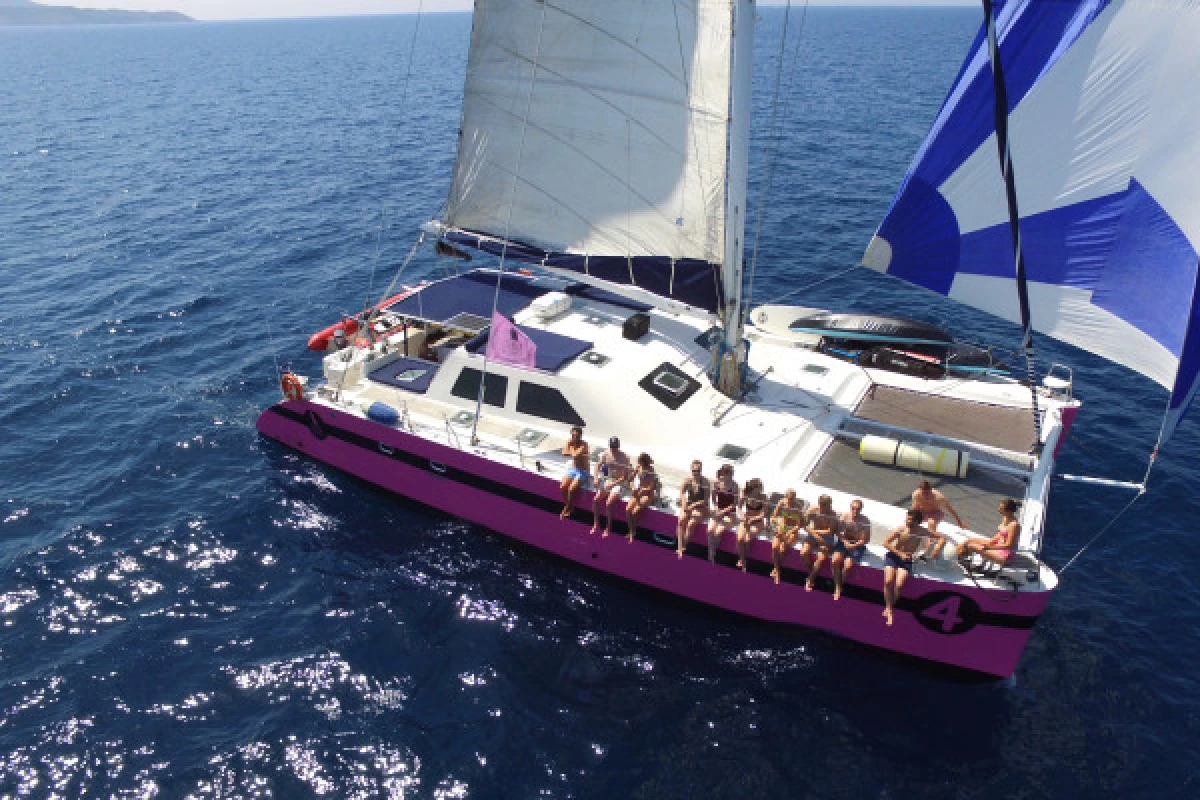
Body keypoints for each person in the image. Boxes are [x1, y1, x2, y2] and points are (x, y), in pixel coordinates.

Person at [881, 509, 944, 626]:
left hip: (907, 559)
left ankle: (889, 608)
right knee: (888, 581)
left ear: (917, 522)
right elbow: (885, 543)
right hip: (894, 556)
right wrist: (900, 554)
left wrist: (937, 548)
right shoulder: (901, 529)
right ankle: (890, 609)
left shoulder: (922, 531)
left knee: (899, 585)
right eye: (907, 518)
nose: (907, 520)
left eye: (910, 519)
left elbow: (942, 537)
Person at [957, 498, 1021, 566]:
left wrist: (990, 547)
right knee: (970, 540)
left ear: (1009, 511)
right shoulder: (1006, 518)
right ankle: (960, 557)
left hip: (1004, 556)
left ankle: (963, 562)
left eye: (1001, 509)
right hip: (998, 547)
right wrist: (990, 542)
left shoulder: (1014, 525)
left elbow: (1009, 546)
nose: (999, 510)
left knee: (971, 546)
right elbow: (1000, 534)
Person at [591, 437, 632, 537]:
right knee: (596, 500)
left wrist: (613, 484)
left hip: (620, 483)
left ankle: (608, 527)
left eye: (615, 447)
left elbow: (625, 477)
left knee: (608, 503)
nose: (614, 449)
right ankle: (596, 523)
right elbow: (597, 465)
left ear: (618, 446)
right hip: (609, 480)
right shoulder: (606, 453)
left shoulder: (625, 457)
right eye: (612, 447)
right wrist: (596, 478)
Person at [831, 498, 870, 601]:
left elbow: (865, 539)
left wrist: (853, 545)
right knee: (835, 560)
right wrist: (845, 542)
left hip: (857, 544)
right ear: (850, 507)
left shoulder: (865, 521)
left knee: (847, 566)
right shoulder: (844, 517)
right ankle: (838, 586)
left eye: (858, 509)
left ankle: (839, 586)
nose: (855, 511)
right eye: (853, 508)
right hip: (844, 541)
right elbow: (838, 532)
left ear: (861, 509)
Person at [803, 494, 839, 591]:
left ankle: (810, 579)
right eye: (822, 504)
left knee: (821, 558)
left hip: (827, 538)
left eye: (826, 505)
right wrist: (815, 535)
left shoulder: (833, 515)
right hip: (814, 535)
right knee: (804, 552)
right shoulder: (812, 510)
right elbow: (805, 525)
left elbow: (829, 531)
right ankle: (811, 573)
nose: (824, 506)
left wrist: (815, 532)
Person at [676, 460, 711, 558]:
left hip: (701, 506)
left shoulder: (705, 482)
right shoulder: (688, 480)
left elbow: (705, 500)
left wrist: (693, 506)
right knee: (681, 521)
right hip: (690, 504)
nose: (696, 473)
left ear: (701, 470)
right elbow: (682, 493)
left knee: (691, 524)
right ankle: (679, 546)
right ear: (691, 470)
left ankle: (683, 546)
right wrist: (684, 503)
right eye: (694, 471)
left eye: (698, 471)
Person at [770, 489, 805, 585]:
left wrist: (790, 532)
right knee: (774, 547)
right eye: (789, 498)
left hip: (792, 529)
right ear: (786, 497)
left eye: (793, 498)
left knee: (782, 548)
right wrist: (779, 524)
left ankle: (776, 570)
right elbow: (773, 517)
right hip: (782, 527)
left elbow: (799, 525)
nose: (791, 500)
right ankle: (777, 570)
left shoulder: (798, 507)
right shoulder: (782, 503)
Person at [706, 464, 739, 564]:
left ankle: (712, 554)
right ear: (724, 473)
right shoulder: (717, 483)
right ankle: (711, 552)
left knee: (718, 532)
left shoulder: (734, 486)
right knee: (710, 530)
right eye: (729, 473)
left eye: (731, 473)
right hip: (719, 510)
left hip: (730, 513)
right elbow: (713, 498)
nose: (731, 475)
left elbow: (735, 504)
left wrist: (723, 512)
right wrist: (716, 508)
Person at [625, 453, 660, 542]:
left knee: (634, 512)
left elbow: (651, 487)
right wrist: (633, 487)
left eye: (639, 460)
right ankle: (630, 530)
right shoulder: (638, 467)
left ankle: (633, 532)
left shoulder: (651, 470)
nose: (638, 461)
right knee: (628, 509)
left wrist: (642, 491)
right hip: (639, 491)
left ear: (644, 461)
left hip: (647, 493)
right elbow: (631, 479)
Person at [736, 478, 768, 571]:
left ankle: (743, 560)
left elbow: (764, 514)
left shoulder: (763, 497)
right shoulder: (745, 495)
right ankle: (742, 559)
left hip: (758, 521)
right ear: (754, 488)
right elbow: (739, 507)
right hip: (747, 519)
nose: (761, 489)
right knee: (740, 538)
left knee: (747, 539)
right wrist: (743, 516)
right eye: (759, 487)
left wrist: (753, 519)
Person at [559, 426, 589, 519]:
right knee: (563, 486)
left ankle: (567, 507)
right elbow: (563, 453)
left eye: (576, 436)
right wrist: (571, 447)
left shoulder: (584, 444)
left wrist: (571, 446)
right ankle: (569, 505)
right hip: (573, 469)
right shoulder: (570, 440)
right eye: (573, 435)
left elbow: (575, 455)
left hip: (583, 471)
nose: (574, 437)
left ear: (580, 436)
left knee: (571, 489)